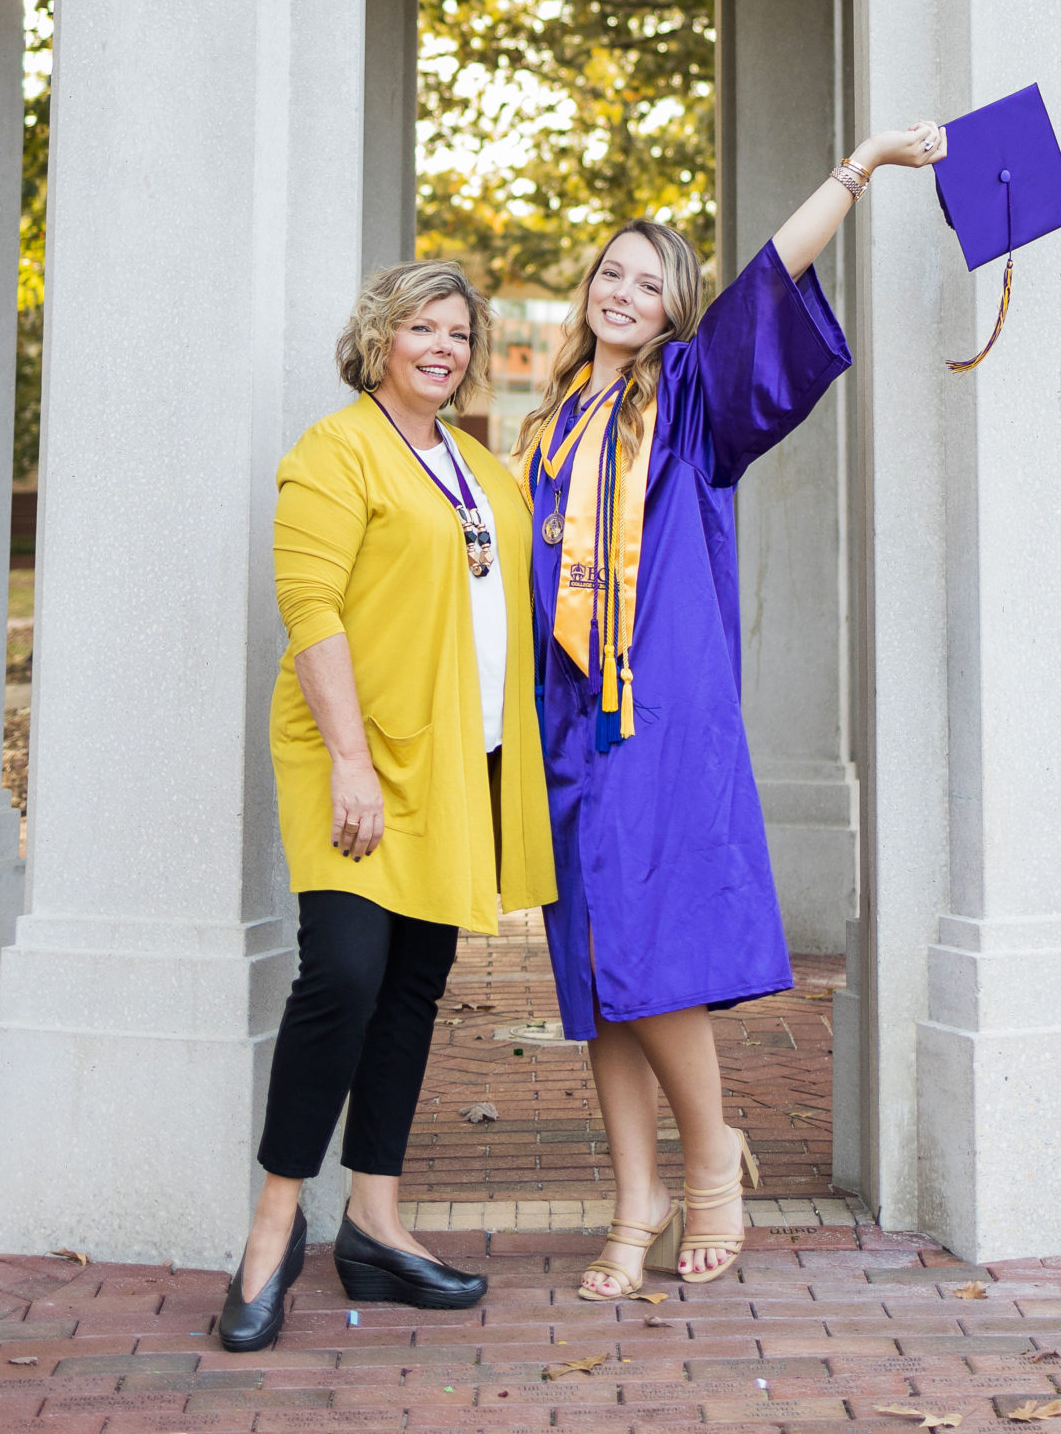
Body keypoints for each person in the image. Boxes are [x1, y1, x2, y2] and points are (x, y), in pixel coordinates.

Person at [521, 124, 945, 1300]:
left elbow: (777, 274)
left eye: (651, 281)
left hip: (660, 713)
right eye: (612, 269)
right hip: (568, 723)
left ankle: (710, 1162)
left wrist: (855, 168)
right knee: (599, 969)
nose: (624, 290)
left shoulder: (693, 401)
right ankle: (635, 1193)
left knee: (652, 950)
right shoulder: (548, 426)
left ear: (676, 312)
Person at [218, 261, 556, 1349]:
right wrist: (353, 761)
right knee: (345, 978)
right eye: (424, 325)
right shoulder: (336, 451)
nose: (445, 346)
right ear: (380, 337)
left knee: (413, 987)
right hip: (354, 763)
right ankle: (273, 1232)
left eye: (460, 331)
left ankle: (376, 1222)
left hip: (456, 764)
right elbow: (309, 606)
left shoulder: (479, 470)